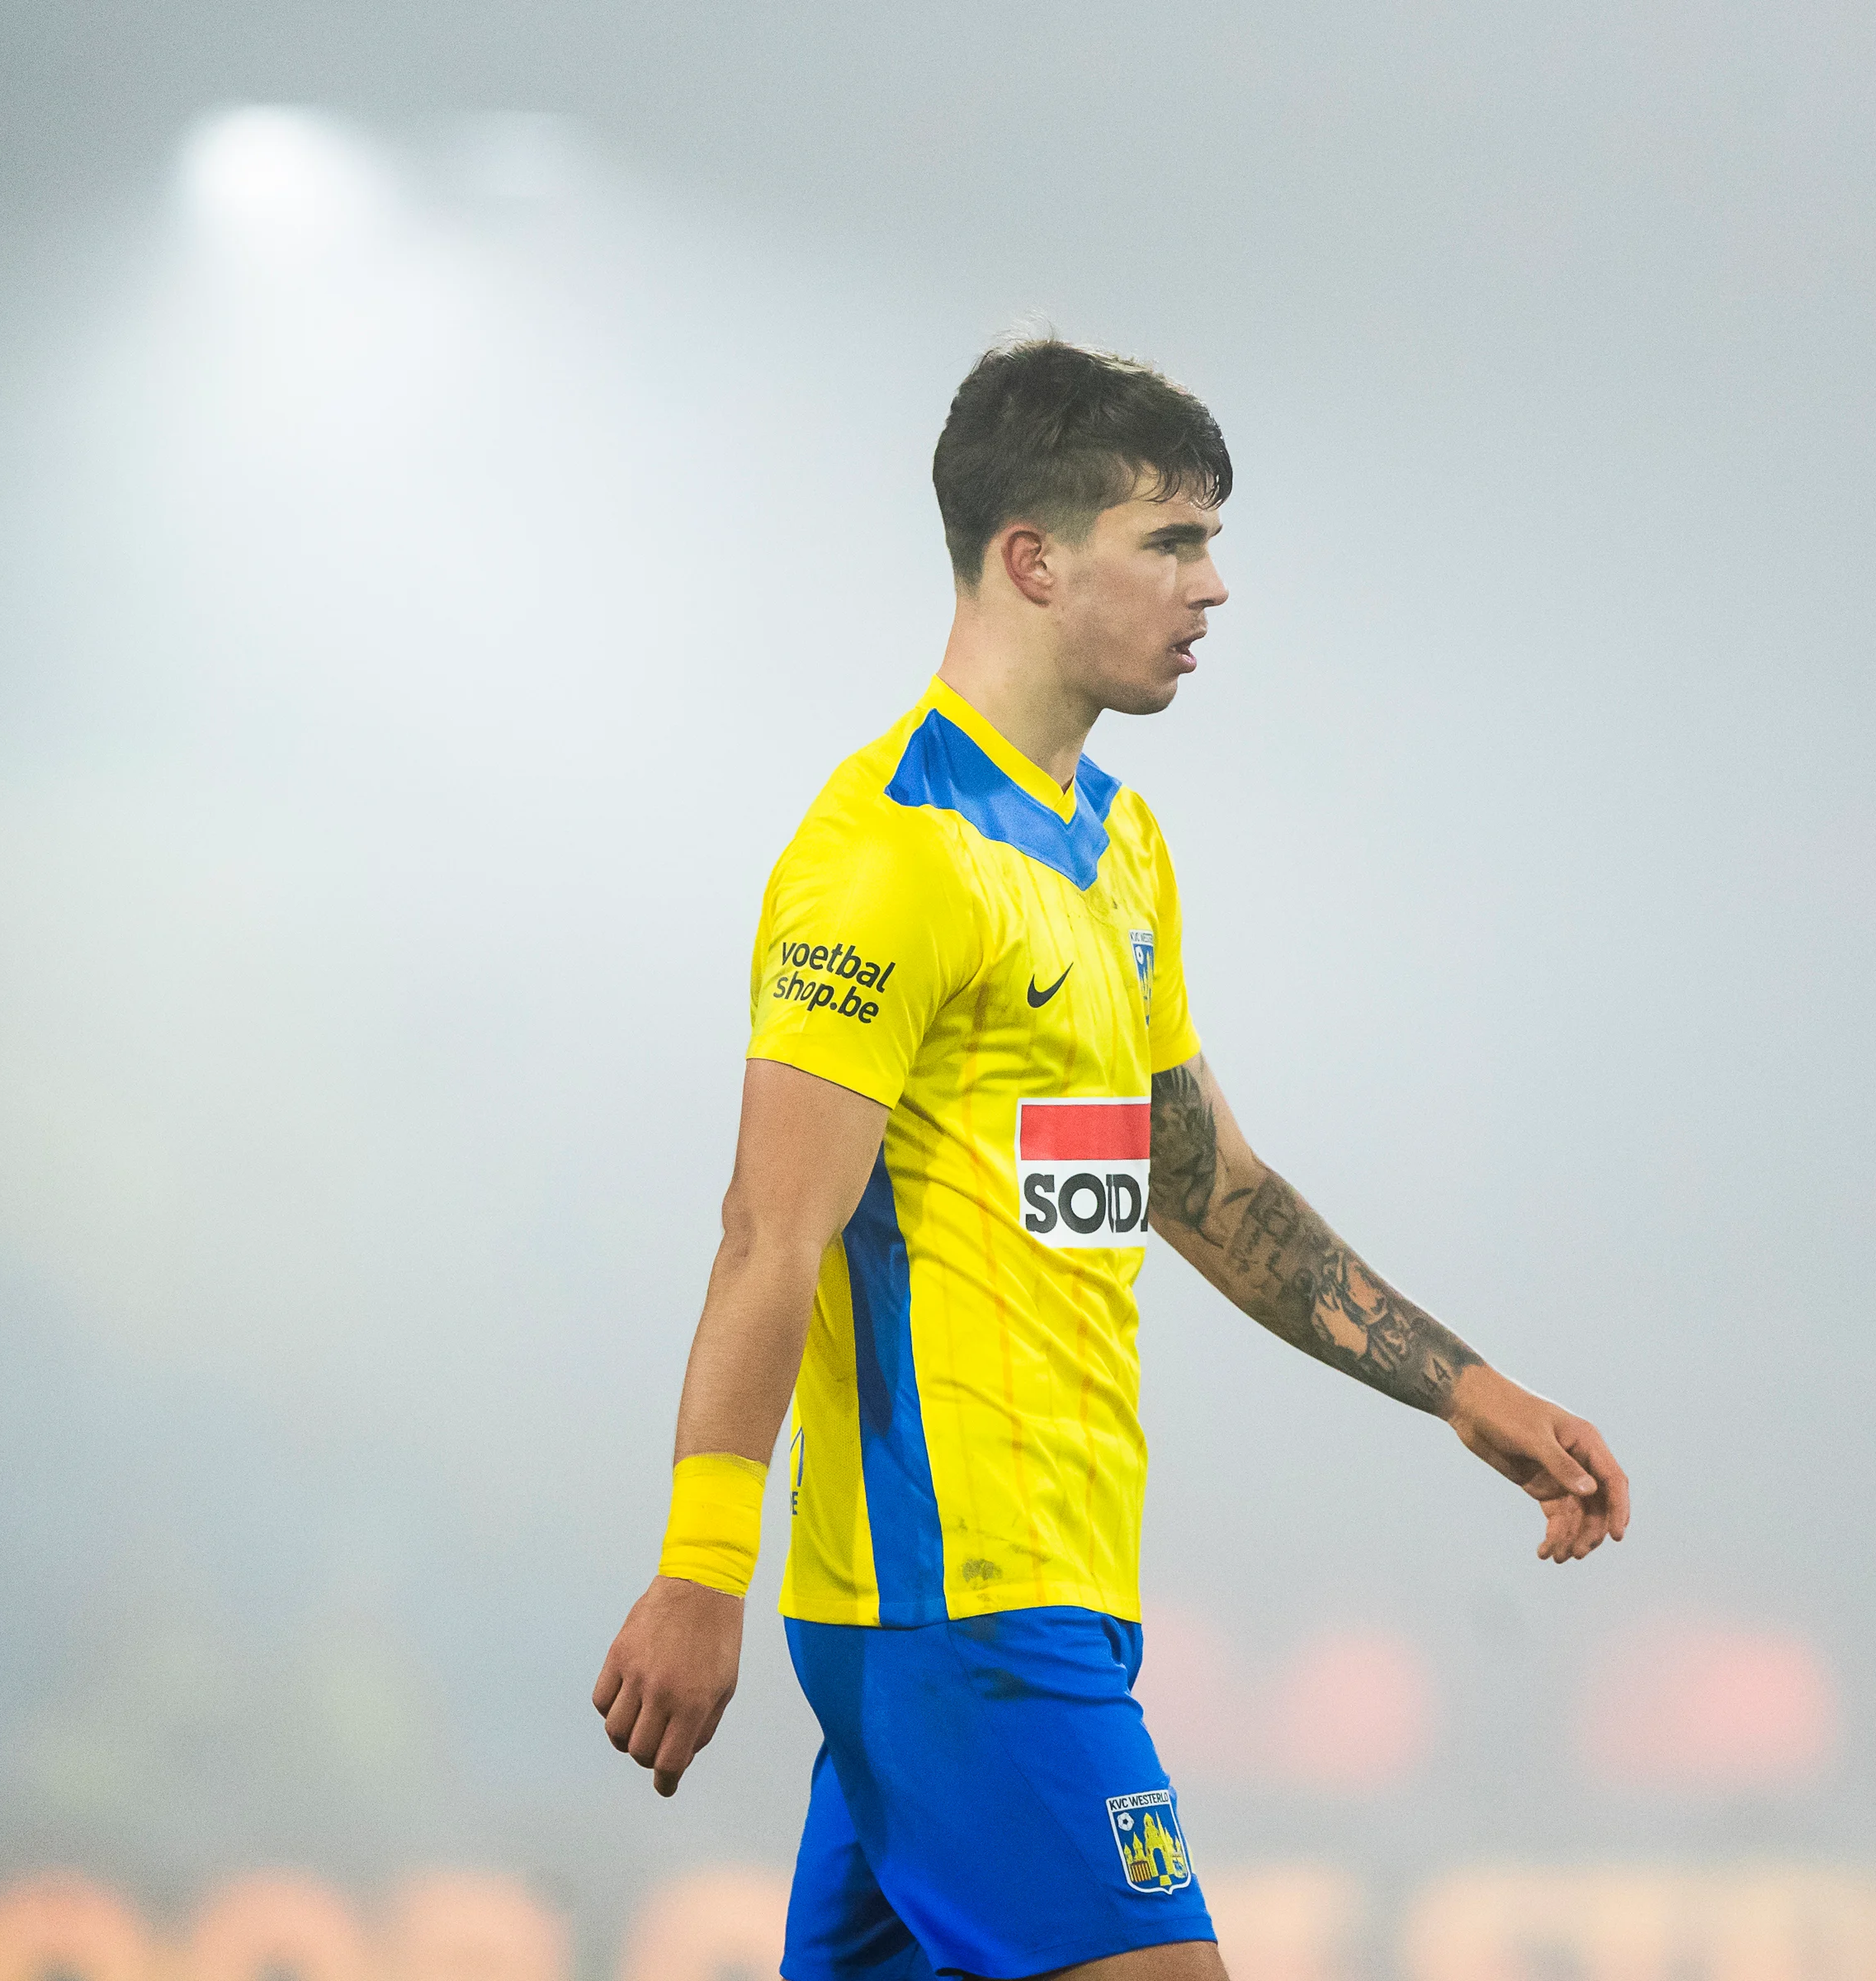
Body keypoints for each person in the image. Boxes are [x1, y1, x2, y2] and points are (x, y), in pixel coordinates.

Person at [591, 339, 1632, 1981]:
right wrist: (699, 1573)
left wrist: (1463, 1387)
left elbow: (1199, 1187)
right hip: (959, 1616)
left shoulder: (1116, 846)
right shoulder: (885, 861)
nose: (1212, 588)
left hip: (1053, 1591)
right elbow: (766, 1235)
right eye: (1173, 541)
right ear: (1032, 558)